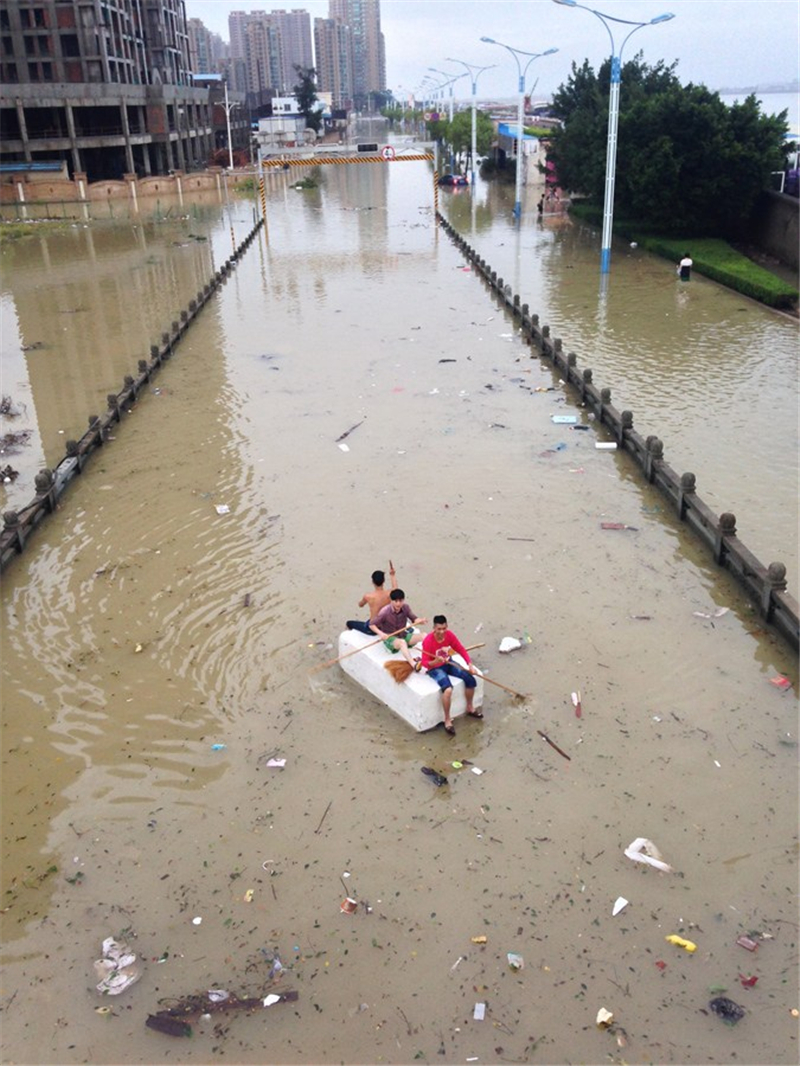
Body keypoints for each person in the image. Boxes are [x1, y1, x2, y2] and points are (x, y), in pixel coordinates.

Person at [418, 615, 480, 736]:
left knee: (470, 679)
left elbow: (460, 649)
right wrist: (435, 662)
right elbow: (424, 662)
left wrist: (469, 664)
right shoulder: (428, 641)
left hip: (448, 662)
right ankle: (447, 719)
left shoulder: (449, 635)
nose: (442, 632)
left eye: (444, 628)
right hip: (434, 668)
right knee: (447, 690)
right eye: (439, 629)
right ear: (434, 628)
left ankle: (470, 707)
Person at [370, 589, 426, 666]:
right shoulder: (385, 611)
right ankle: (413, 664)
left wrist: (420, 621)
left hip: (403, 635)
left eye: (401, 601)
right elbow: (372, 624)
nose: (398, 604)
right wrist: (381, 634)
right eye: (395, 601)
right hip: (390, 637)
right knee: (402, 643)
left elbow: (414, 618)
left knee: (424, 635)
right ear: (391, 600)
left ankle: (434, 655)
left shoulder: (406, 607)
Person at [346, 564, 397, 635]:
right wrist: (392, 575)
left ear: (372, 582)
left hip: (373, 628)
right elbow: (395, 588)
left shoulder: (368, 596)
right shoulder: (389, 594)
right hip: (385, 626)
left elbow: (360, 605)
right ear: (384, 581)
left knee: (349, 623)